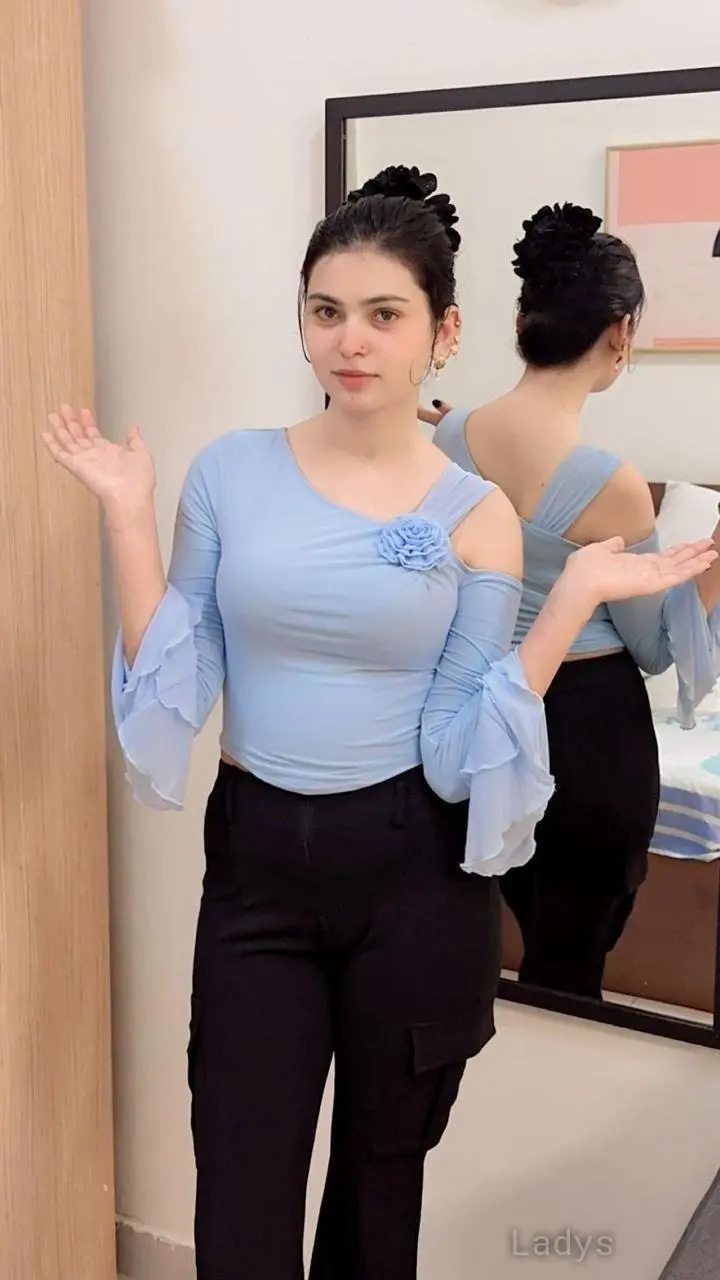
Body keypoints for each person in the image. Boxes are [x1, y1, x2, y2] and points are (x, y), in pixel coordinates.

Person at [42, 172, 716, 1280]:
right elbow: (182, 682)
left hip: (414, 877)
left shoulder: (478, 514)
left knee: (378, 1195)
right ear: (304, 321)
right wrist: (125, 515)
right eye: (327, 311)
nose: (350, 340)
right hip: (256, 867)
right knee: (241, 1187)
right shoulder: (228, 471)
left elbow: (457, 753)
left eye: (383, 313)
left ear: (442, 332)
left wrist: (569, 603)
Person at [425, 200, 720, 1003]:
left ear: (523, 318)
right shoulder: (611, 484)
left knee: (486, 932)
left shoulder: (449, 439)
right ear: (620, 333)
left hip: (481, 708)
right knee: (571, 962)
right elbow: (655, 648)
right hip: (586, 735)